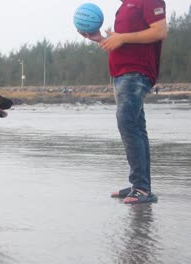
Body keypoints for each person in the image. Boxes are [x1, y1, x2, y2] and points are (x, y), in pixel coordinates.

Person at [79, 0, 167, 204]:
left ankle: (142, 189)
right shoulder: (125, 5)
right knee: (136, 127)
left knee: (127, 124)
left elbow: (159, 31)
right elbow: (123, 44)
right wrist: (100, 38)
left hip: (135, 73)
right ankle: (140, 184)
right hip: (122, 73)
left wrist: (121, 38)